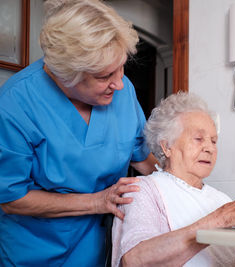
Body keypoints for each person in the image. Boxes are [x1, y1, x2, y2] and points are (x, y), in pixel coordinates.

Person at [0, 0, 157, 265]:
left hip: (99, 246)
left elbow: (141, 157)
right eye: (105, 75)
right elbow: (11, 198)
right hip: (35, 252)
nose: (119, 83)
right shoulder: (16, 104)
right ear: (66, 75)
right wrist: (96, 202)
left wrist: (188, 192)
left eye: (121, 68)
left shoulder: (123, 91)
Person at [112, 93, 235, 266]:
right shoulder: (143, 190)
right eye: (198, 139)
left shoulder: (221, 199)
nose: (210, 148)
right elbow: (134, 260)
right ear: (167, 147)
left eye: (214, 141)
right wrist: (220, 219)